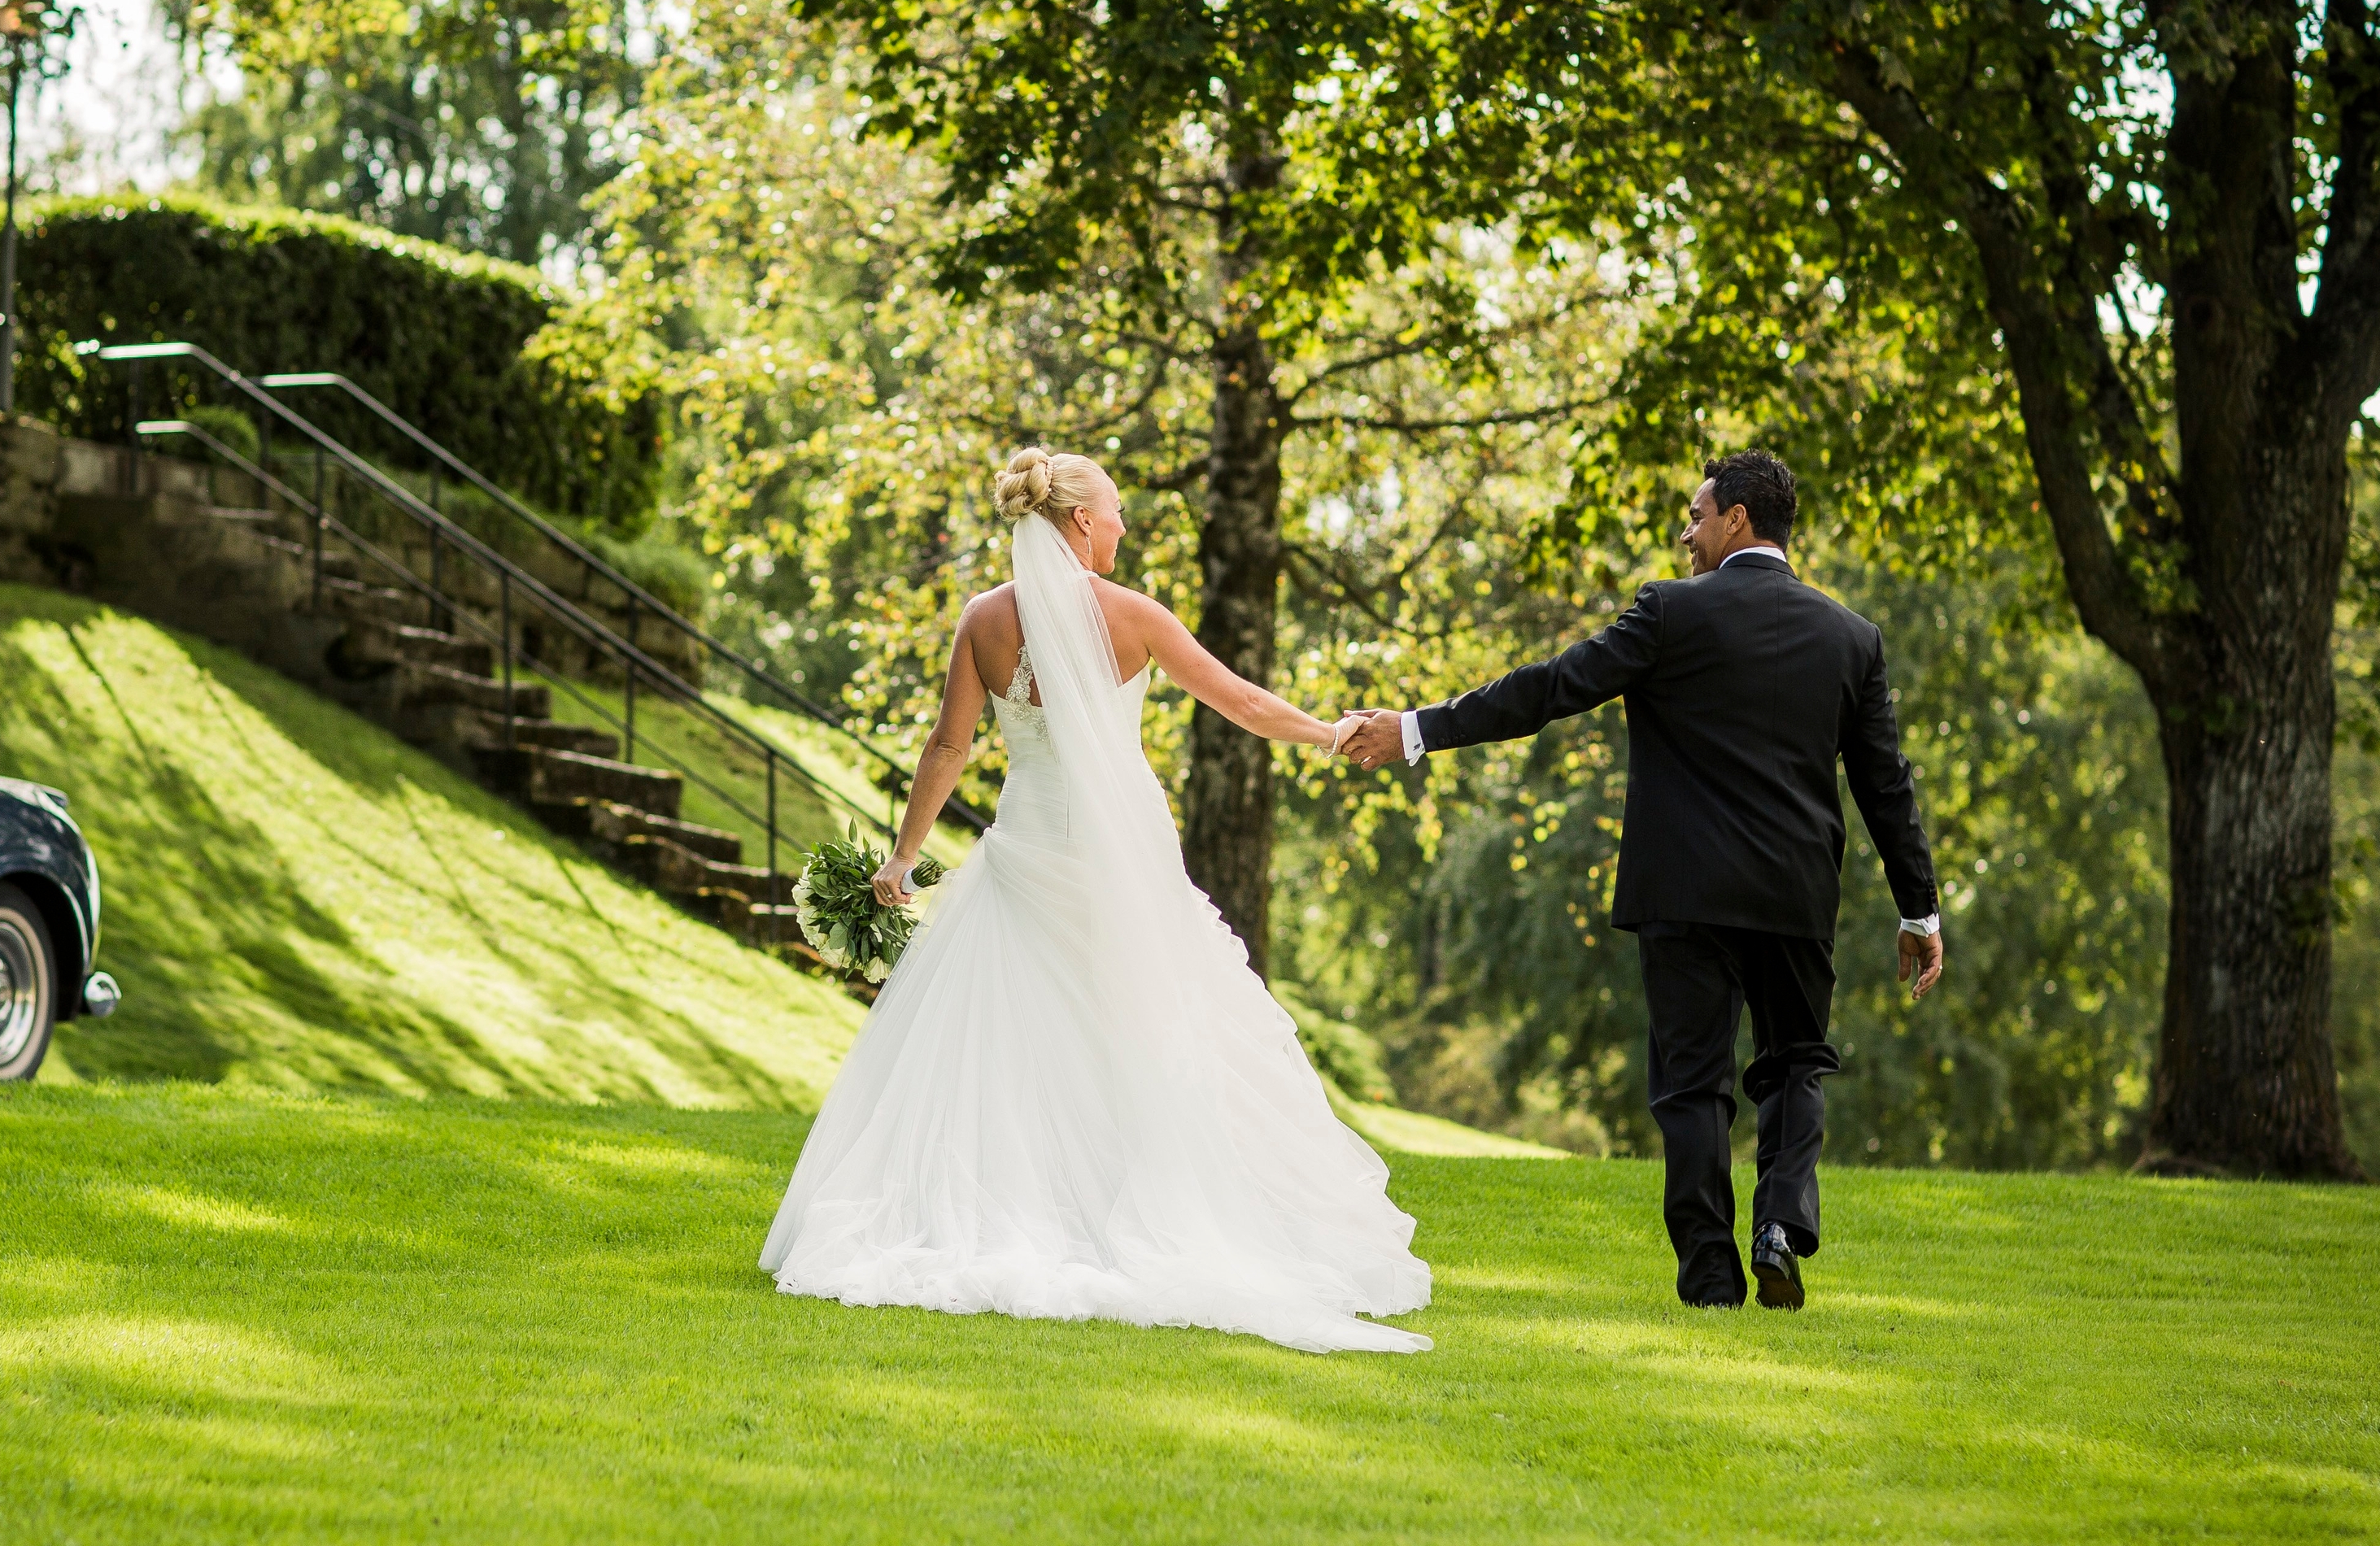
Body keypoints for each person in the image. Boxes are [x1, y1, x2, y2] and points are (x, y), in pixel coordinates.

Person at [760, 446, 1432, 1355]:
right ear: (1079, 520)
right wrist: (1331, 732)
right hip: (1120, 858)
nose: (1121, 526)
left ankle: (1013, 1213)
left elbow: (948, 748)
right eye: (1114, 511)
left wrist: (903, 857)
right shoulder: (1132, 616)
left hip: (1027, 849)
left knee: (1009, 1045)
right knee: (1146, 1033)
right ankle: (1120, 1214)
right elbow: (1233, 699)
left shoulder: (984, 620)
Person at [1340, 451, 1942, 1311]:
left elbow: (1550, 690)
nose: (1685, 535)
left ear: (1737, 517)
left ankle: (1709, 1279)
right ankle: (1780, 1226)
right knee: (1796, 1063)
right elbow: (1887, 788)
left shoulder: (1670, 612)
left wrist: (1416, 730)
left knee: (1693, 1086)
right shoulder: (1851, 637)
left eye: (1695, 516)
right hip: (1795, 895)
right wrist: (1918, 910)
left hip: (1684, 893)